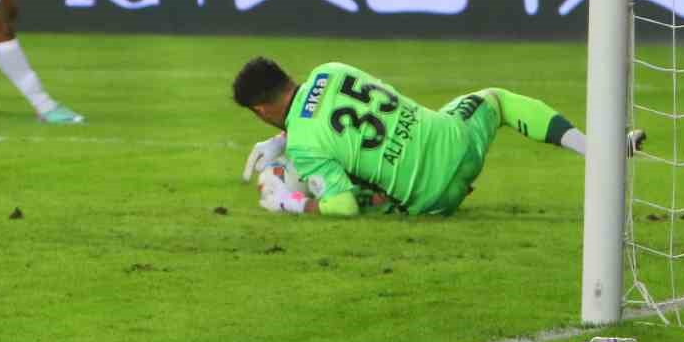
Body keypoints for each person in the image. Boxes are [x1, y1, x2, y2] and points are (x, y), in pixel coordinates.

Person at [232, 56, 641, 216]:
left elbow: (342, 207)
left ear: (261, 110)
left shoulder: (305, 144)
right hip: (455, 142)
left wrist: (291, 202)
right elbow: (329, 115)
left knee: (351, 188)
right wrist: (284, 139)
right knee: (495, 100)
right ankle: (597, 148)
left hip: (430, 201)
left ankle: (390, 199)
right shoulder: (331, 70)